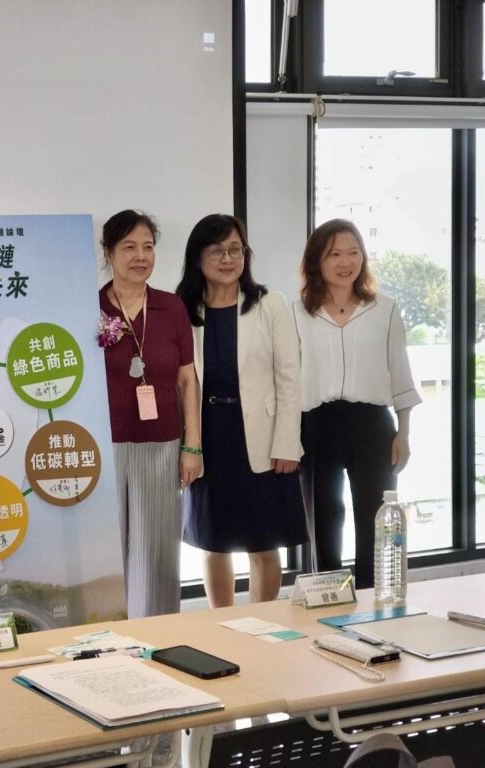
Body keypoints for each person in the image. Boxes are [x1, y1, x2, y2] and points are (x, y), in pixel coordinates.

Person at [176, 214, 306, 607]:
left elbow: (289, 378)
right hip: (207, 436)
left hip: (262, 438)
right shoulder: (183, 310)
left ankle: (263, 623)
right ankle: (223, 623)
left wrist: (288, 442)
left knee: (263, 541)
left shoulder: (270, 304)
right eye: (217, 251)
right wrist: (186, 445)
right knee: (212, 540)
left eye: (236, 249)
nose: (228, 259)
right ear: (198, 257)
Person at [294, 218, 421, 589]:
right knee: (322, 519)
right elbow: (288, 380)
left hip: (372, 425)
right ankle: (327, 599)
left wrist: (404, 434)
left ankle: (372, 600)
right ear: (317, 261)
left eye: (353, 253)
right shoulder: (297, 312)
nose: (345, 262)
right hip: (315, 425)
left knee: (375, 519)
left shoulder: (384, 309)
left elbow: (401, 375)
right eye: (334, 254)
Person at [99, 210, 202, 618]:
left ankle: (156, 635)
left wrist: (192, 446)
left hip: (161, 444)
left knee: (156, 553)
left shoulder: (171, 307)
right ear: (108, 253)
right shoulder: (88, 307)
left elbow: (187, 381)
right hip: (105, 446)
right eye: (129, 247)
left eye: (148, 247)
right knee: (107, 552)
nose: (140, 256)